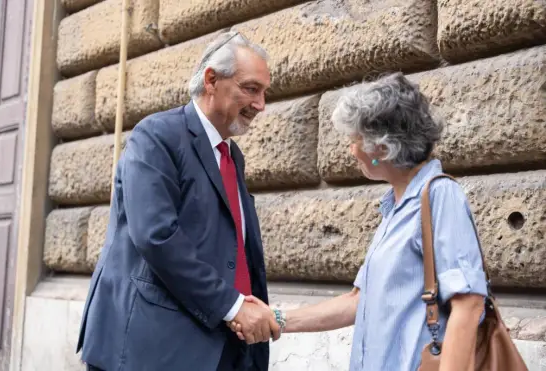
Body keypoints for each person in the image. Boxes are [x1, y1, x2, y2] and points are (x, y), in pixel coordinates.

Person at [230, 72, 488, 371]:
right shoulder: (397, 206)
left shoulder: (441, 197)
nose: (351, 149)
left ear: (382, 146)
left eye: (355, 139)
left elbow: (468, 306)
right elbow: (358, 302)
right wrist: (276, 319)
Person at [76, 31, 281, 371]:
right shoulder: (156, 136)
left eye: (263, 92)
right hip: (154, 348)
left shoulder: (231, 156)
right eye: (251, 89)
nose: (261, 104)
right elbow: (157, 236)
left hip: (222, 343)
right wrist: (232, 306)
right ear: (211, 80)